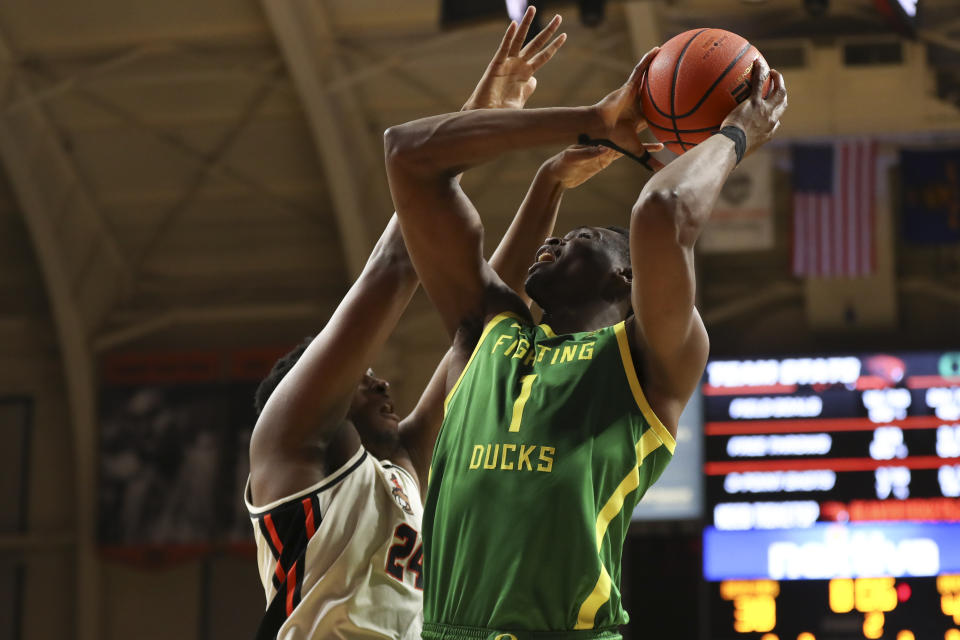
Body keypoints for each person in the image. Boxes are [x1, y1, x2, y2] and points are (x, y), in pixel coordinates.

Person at [383, 8, 788, 638]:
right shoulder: (491, 335)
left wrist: (736, 134)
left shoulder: (648, 363)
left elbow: (661, 209)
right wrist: (581, 132)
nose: (557, 240)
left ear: (624, 279)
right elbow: (407, 154)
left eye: (584, 237)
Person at [244, 13, 622, 639]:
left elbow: (482, 332)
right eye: (366, 381)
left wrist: (548, 183)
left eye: (368, 378)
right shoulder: (286, 450)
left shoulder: (396, 472)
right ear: (314, 394)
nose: (385, 386)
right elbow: (398, 262)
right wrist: (483, 110)